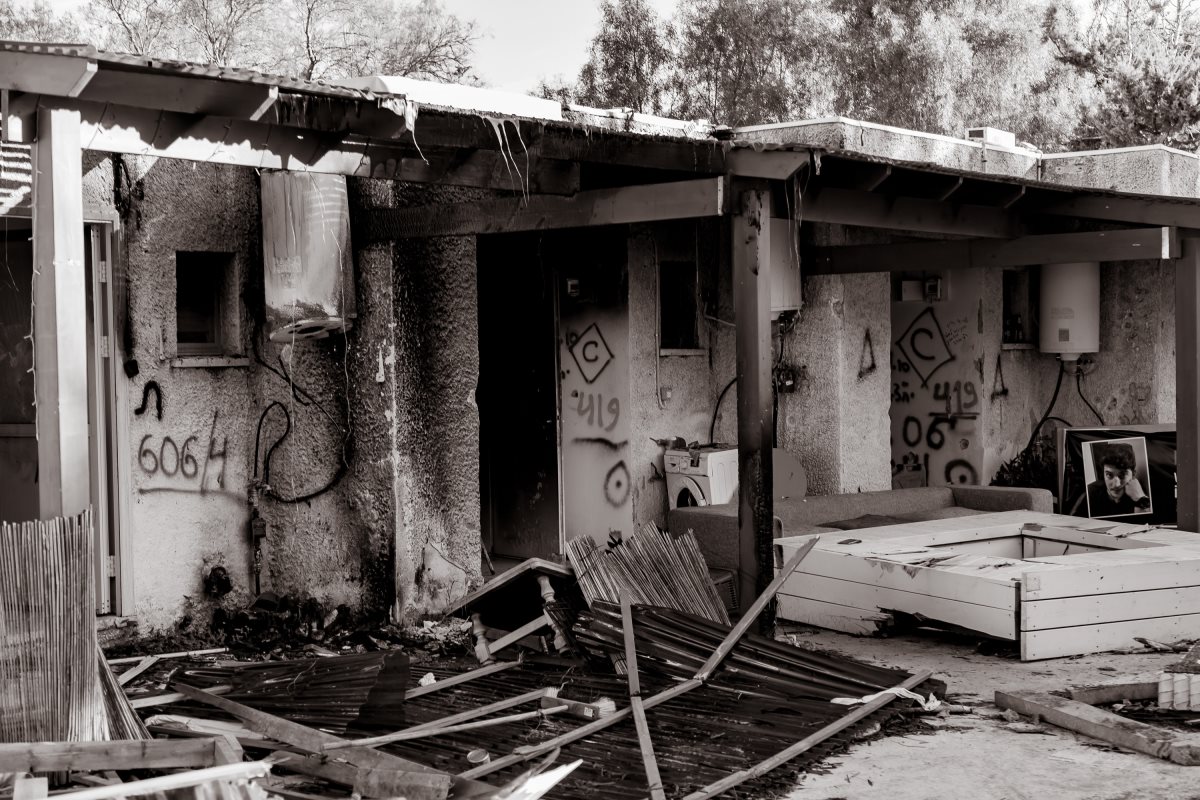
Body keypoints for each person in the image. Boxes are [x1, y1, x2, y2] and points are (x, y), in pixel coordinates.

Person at [1087, 442, 1151, 518]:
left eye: (1122, 475)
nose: (1116, 484)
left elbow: (1144, 521)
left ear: (1133, 474)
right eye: (1109, 475)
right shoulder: (1090, 492)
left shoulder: (1139, 493)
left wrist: (1140, 499)